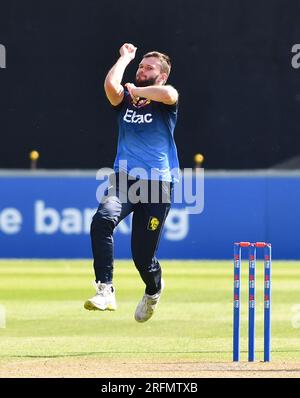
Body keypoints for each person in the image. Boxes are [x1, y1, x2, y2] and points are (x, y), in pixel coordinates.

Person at [84, 43, 180, 322]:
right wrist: (125, 58)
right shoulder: (124, 100)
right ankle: (105, 290)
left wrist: (135, 90)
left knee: (142, 258)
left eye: (148, 67)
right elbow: (111, 86)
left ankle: (153, 289)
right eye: (141, 66)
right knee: (102, 220)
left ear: (161, 76)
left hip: (158, 185)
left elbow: (170, 94)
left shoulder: (164, 100)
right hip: (125, 180)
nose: (142, 70)